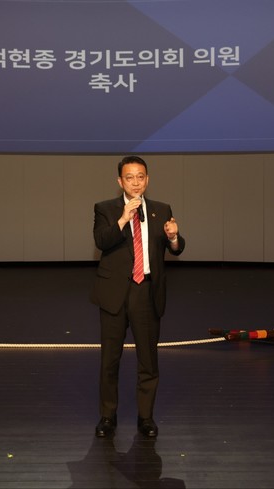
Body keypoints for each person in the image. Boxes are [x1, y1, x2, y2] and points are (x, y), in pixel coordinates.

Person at [90, 155, 185, 438]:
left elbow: (176, 247)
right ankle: (107, 416)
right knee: (110, 360)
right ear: (120, 181)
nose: (135, 182)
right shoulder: (105, 209)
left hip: (146, 292)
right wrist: (123, 219)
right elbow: (102, 241)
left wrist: (173, 237)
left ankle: (146, 417)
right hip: (115, 294)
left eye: (140, 177)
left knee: (148, 360)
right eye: (129, 177)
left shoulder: (161, 209)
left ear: (147, 179)